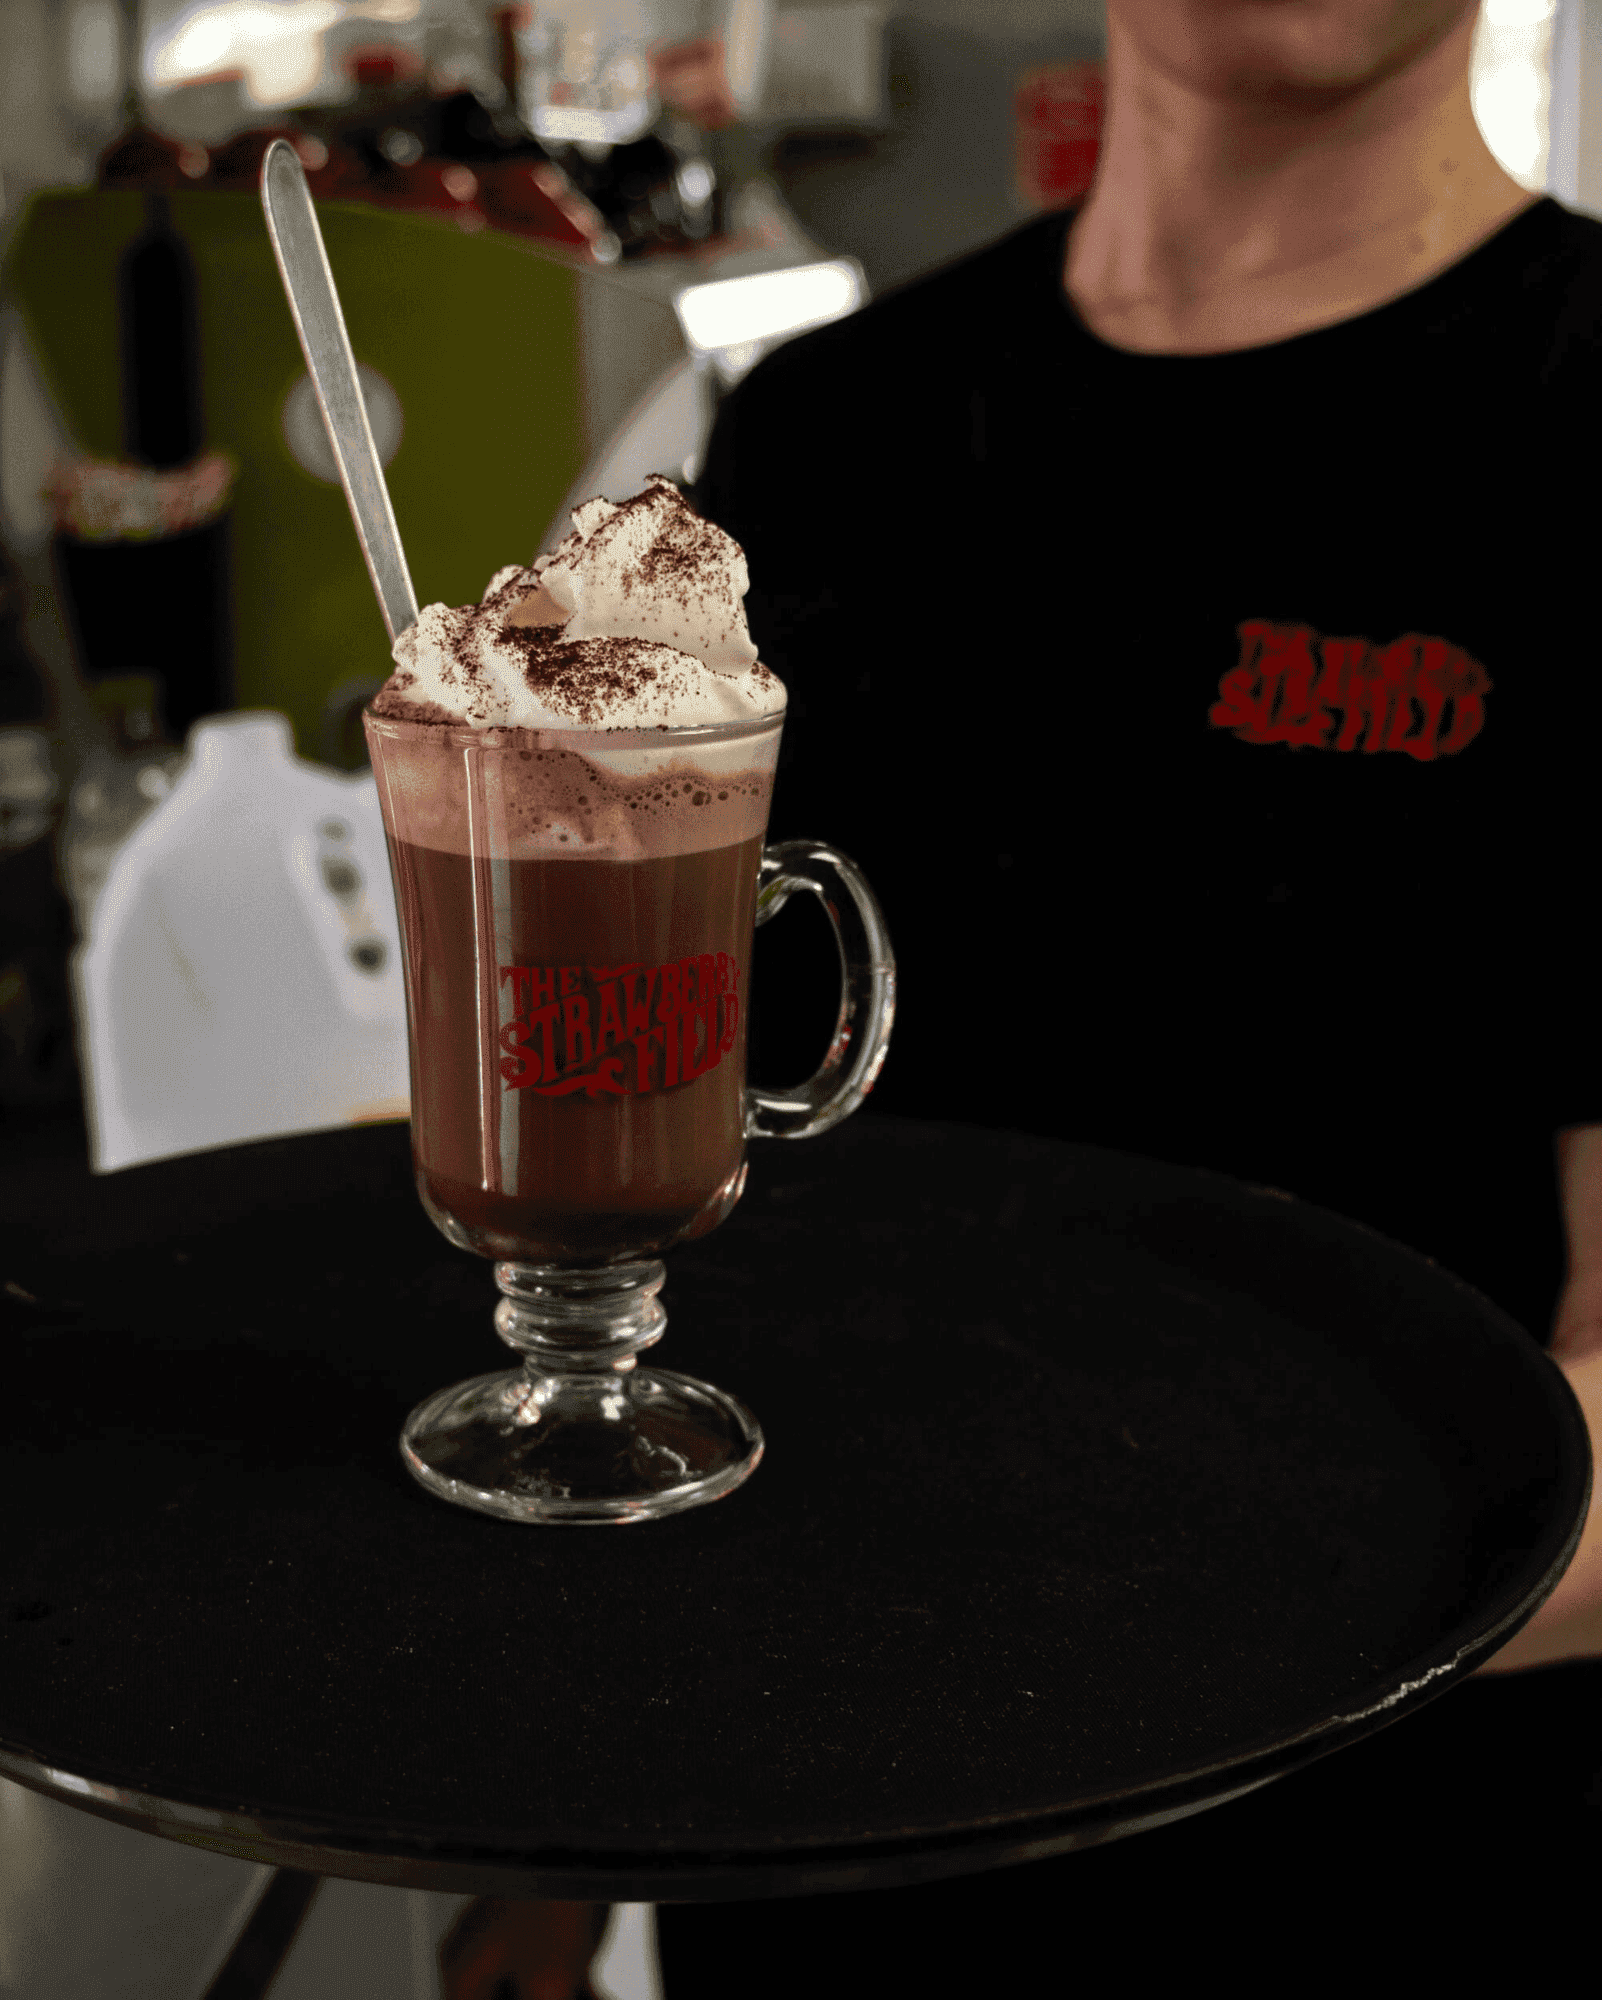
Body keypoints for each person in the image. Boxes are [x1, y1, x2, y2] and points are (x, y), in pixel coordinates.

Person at [636, 0, 1602, 1990]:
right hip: (802, 1842)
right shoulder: (821, 425)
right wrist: (553, 1811)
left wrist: (1061, 1618)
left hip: (1378, 1872)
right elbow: (692, 1196)